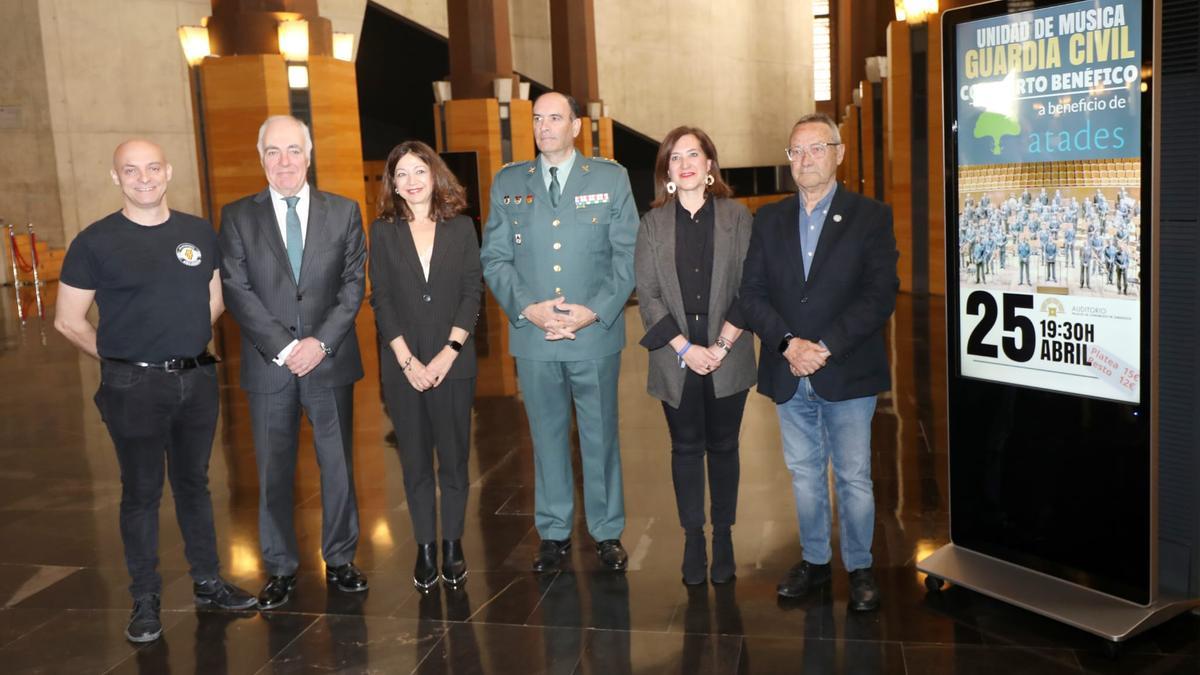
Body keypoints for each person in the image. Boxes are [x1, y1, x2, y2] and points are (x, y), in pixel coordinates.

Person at [54, 139, 256, 643]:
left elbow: (213, 299)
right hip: (133, 386)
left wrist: (179, 345)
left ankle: (208, 581)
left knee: (195, 484)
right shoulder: (95, 242)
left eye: (151, 168)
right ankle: (145, 599)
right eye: (130, 170)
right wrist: (123, 359)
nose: (143, 178)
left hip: (197, 379)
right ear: (115, 177)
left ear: (167, 172)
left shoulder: (196, 232)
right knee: (141, 493)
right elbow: (67, 320)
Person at [739, 112, 898, 612]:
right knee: (805, 474)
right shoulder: (767, 219)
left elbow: (879, 295)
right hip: (788, 370)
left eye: (815, 148)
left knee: (853, 476)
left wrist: (823, 347)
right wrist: (789, 344)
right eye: (796, 151)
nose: (804, 160)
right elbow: (752, 293)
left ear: (839, 153)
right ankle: (813, 560)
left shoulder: (870, 216)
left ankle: (860, 567)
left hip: (845, 369)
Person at [481, 91, 638, 573]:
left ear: (575, 126)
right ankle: (553, 532)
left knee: (600, 435)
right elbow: (495, 256)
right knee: (545, 437)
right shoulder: (510, 181)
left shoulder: (610, 178)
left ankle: (607, 532)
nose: (545, 126)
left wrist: (594, 311)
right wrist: (529, 309)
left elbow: (627, 255)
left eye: (556, 117)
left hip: (593, 334)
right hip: (535, 336)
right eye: (538, 118)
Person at [218, 115, 368, 609]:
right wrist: (284, 347)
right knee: (272, 471)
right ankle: (280, 567)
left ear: (310, 154)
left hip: (329, 361)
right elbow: (237, 290)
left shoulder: (344, 212)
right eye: (273, 152)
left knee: (338, 466)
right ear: (261, 157)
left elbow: (352, 286)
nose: (284, 162)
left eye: (293, 151)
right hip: (270, 366)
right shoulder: (238, 216)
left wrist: (319, 343)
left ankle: (341, 559)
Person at [633, 126, 755, 585]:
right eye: (675, 157)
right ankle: (691, 538)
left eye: (694, 155)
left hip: (730, 349)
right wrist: (687, 348)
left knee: (724, 447)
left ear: (709, 165)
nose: (684, 163)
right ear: (667, 170)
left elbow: (751, 287)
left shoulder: (737, 217)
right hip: (675, 354)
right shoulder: (652, 225)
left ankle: (723, 536)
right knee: (685, 448)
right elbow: (647, 297)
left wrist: (720, 346)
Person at [368, 141, 482, 589]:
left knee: (454, 460)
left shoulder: (460, 228)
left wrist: (447, 353)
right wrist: (406, 359)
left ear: (435, 175)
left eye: (419, 171)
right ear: (392, 184)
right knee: (414, 462)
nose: (412, 182)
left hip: (455, 362)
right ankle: (425, 548)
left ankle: (452, 544)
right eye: (402, 175)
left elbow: (472, 291)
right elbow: (382, 298)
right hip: (403, 366)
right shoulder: (383, 230)